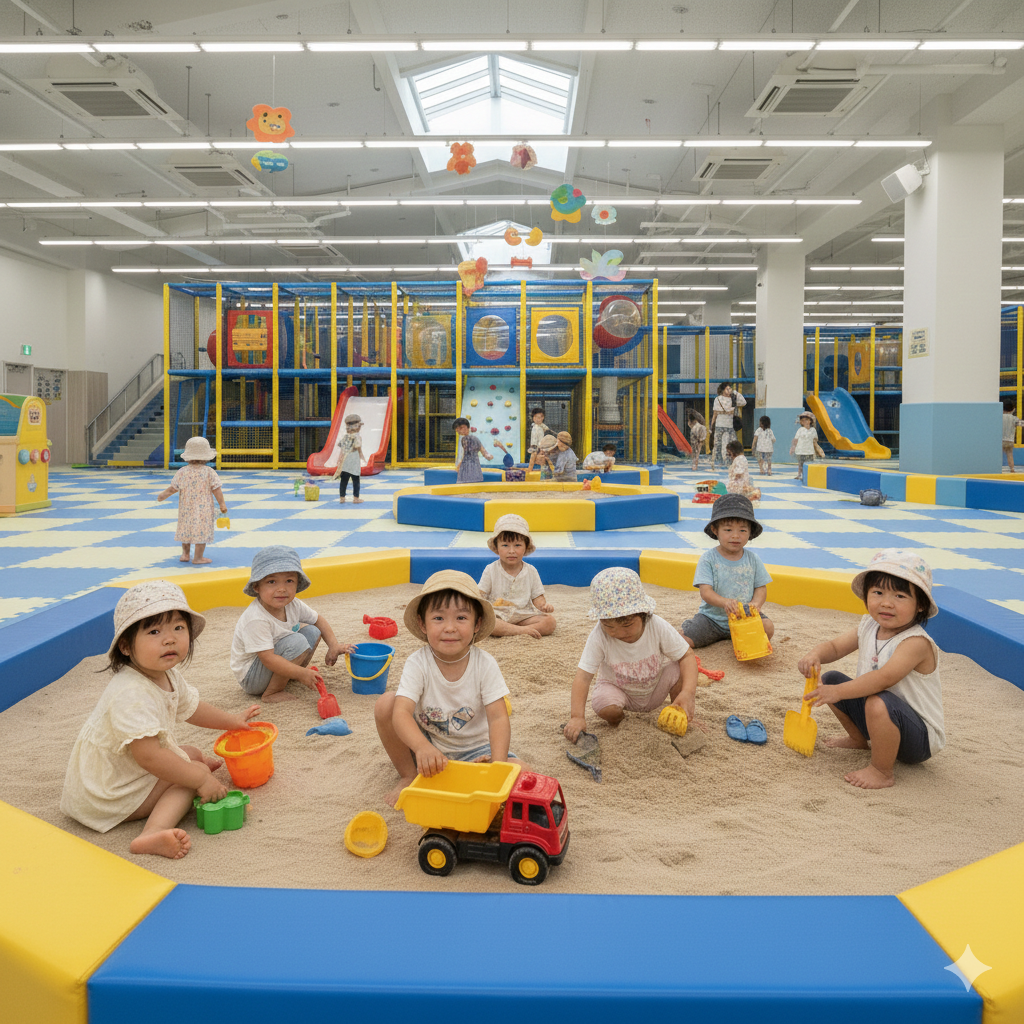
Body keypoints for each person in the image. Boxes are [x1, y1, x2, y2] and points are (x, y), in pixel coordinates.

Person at [60, 581, 260, 860]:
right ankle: (151, 833)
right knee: (188, 778)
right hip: (108, 795)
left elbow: (192, 707)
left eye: (178, 628)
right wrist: (199, 778)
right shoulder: (131, 693)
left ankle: (196, 768)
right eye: (154, 631)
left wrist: (232, 721)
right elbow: (150, 757)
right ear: (127, 647)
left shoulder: (164, 673)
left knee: (189, 754)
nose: (170, 639)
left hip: (123, 772)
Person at [797, 549, 944, 790]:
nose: (886, 603)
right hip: (878, 717)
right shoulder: (869, 624)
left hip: (917, 740)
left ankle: (882, 771)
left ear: (920, 606)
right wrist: (815, 654)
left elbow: (883, 678)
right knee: (830, 679)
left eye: (900, 596)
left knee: (874, 698)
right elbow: (835, 647)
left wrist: (838, 693)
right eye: (878, 592)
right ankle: (858, 739)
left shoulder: (915, 642)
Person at [374, 570, 523, 806]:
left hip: (478, 750)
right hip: (431, 744)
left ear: (478, 624)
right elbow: (402, 712)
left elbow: (498, 718)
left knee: (522, 772)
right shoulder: (418, 662)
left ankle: (476, 771)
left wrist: (498, 765)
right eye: (439, 618)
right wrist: (422, 747)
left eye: (461, 618)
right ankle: (409, 775)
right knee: (386, 704)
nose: (450, 627)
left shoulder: (484, 664)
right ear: (423, 624)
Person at [563, 567, 700, 743]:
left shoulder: (656, 625)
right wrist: (576, 717)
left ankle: (680, 709)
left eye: (627, 625)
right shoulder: (599, 635)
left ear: (643, 614)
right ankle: (621, 721)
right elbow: (583, 676)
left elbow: (686, 656)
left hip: (655, 686)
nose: (619, 633)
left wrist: (688, 692)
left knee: (679, 667)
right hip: (619, 690)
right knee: (604, 707)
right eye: (610, 626)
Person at [230, 545, 353, 704]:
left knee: (313, 631)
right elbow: (268, 659)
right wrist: (302, 674)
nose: (282, 589)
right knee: (297, 642)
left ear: (297, 583)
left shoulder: (293, 604)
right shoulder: (256, 618)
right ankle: (272, 692)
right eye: (272, 581)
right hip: (252, 678)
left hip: (273, 663)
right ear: (257, 587)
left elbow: (318, 620)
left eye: (289, 581)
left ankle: (289, 673)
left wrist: (333, 646)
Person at [680, 494, 774, 650]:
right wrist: (725, 602)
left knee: (768, 627)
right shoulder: (708, 559)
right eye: (728, 529)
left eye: (743, 530)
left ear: (750, 532)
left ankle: (738, 636)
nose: (735, 536)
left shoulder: (753, 559)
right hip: (712, 620)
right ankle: (692, 627)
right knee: (686, 640)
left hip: (744, 618)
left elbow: (761, 588)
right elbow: (706, 592)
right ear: (715, 530)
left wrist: (755, 605)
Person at [477, 513, 555, 639]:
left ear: (526, 547)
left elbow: (537, 596)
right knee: (487, 623)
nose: (512, 551)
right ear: (497, 547)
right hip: (498, 615)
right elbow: (481, 593)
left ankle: (516, 629)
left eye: (517, 545)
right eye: (505, 545)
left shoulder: (531, 571)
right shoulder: (491, 569)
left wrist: (543, 606)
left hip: (523, 615)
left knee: (550, 622)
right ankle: (522, 631)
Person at [157, 435, 227, 566]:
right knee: (202, 531)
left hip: (186, 508)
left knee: (186, 529)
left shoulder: (182, 471)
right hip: (204, 509)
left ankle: (185, 554)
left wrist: (162, 495)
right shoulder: (209, 472)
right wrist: (222, 504)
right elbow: (216, 489)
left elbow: (173, 488)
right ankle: (198, 557)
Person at [709, 382, 745, 470]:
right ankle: (715, 462)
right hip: (720, 424)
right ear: (723, 390)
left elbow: (743, 402)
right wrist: (711, 425)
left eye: (730, 389)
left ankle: (731, 461)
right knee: (717, 444)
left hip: (729, 425)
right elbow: (715, 413)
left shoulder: (733, 398)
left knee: (733, 443)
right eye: (727, 389)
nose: (729, 390)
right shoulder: (718, 399)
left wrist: (736, 393)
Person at [332, 412, 364, 503]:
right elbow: (358, 448)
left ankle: (342, 498)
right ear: (357, 427)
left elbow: (342, 449)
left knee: (344, 479)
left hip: (345, 459)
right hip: (353, 458)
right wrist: (362, 456)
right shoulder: (358, 437)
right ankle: (356, 498)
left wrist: (339, 459)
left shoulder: (345, 437)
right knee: (355, 479)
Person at [454, 417, 492, 483]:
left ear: (464, 427)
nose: (458, 431)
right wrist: (489, 456)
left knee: (464, 487)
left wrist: (459, 466)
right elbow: (485, 453)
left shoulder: (464, 439)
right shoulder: (476, 439)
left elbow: (465, 455)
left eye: (459, 429)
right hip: (476, 467)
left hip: (466, 467)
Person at [790, 411, 818, 483]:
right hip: (800, 449)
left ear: (810, 421)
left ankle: (808, 475)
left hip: (809, 450)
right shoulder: (800, 430)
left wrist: (817, 449)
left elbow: (815, 440)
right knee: (800, 463)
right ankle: (800, 474)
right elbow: (795, 439)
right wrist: (793, 447)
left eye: (806, 420)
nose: (804, 422)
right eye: (802, 420)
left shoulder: (813, 430)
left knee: (809, 463)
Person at [526, 407, 552, 472]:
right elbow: (534, 439)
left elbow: (545, 429)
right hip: (535, 447)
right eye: (535, 417)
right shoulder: (535, 427)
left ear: (542, 418)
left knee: (542, 459)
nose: (537, 419)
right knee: (534, 457)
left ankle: (541, 471)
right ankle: (530, 470)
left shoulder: (541, 426)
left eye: (539, 417)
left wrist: (541, 450)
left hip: (542, 447)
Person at [1002, 398, 1023, 472]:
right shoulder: (1014, 418)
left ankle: (997, 468)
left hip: (1000, 440)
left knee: (999, 455)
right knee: (1010, 454)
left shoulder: (999, 417)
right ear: (1013, 409)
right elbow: (1021, 424)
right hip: (1010, 440)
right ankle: (1012, 469)